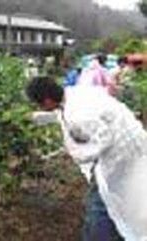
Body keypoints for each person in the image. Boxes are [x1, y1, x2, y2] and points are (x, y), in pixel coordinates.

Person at [26, 76, 147, 241]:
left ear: (46, 101)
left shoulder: (78, 116)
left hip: (120, 158)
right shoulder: (77, 92)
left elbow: (102, 140)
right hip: (137, 146)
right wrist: (35, 118)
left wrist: (75, 152)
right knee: (128, 199)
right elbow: (61, 113)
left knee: (103, 203)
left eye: (39, 104)